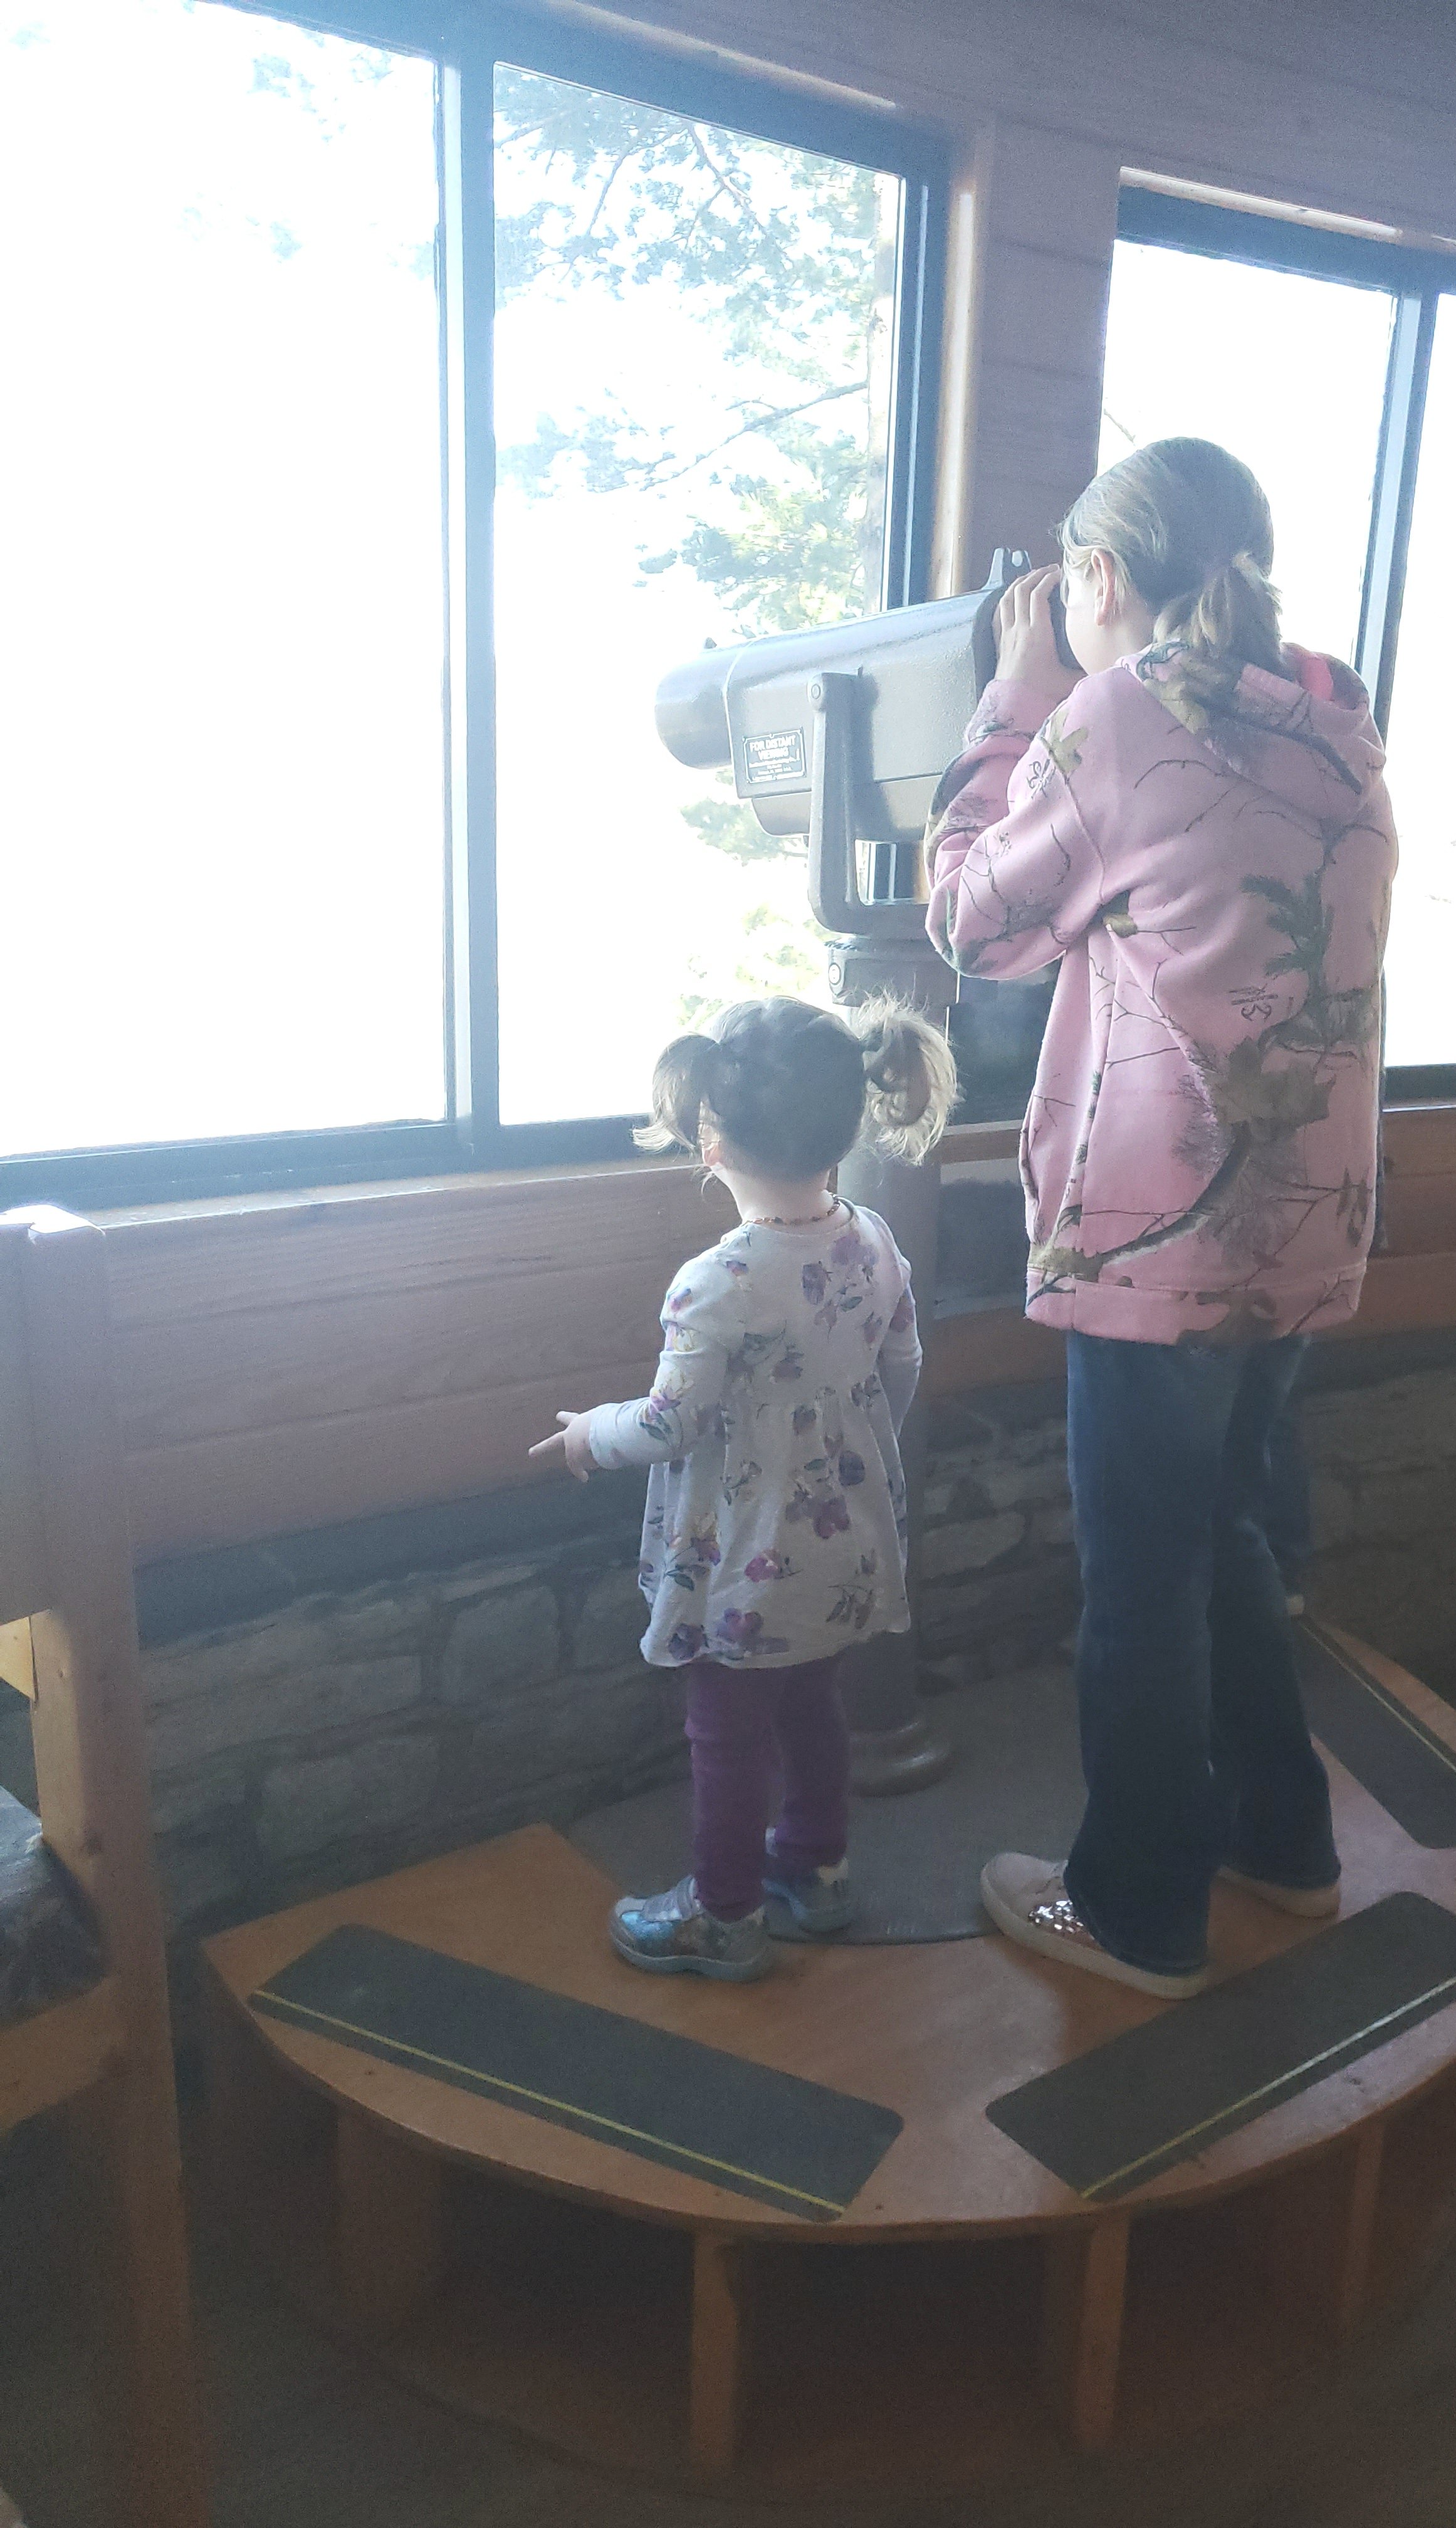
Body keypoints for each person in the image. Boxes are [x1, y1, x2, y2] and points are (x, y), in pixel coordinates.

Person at [926, 436, 1396, 2001]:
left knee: (1142, 1582)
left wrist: (1012, 695)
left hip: (1157, 1240)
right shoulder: (1338, 722)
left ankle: (1135, 1914)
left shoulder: (1118, 715)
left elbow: (972, 921)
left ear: (1102, 578)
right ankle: (1286, 1843)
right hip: (1306, 1226)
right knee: (1229, 1540)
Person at [530, 996, 956, 1983]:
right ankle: (816, 1872)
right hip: (846, 1534)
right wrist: (852, 1442)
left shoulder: (717, 1280)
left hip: (744, 1556)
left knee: (723, 1729)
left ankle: (723, 1916)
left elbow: (673, 1421)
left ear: (710, 1138)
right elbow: (903, 1364)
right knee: (813, 1703)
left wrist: (591, 1433)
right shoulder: (874, 1240)